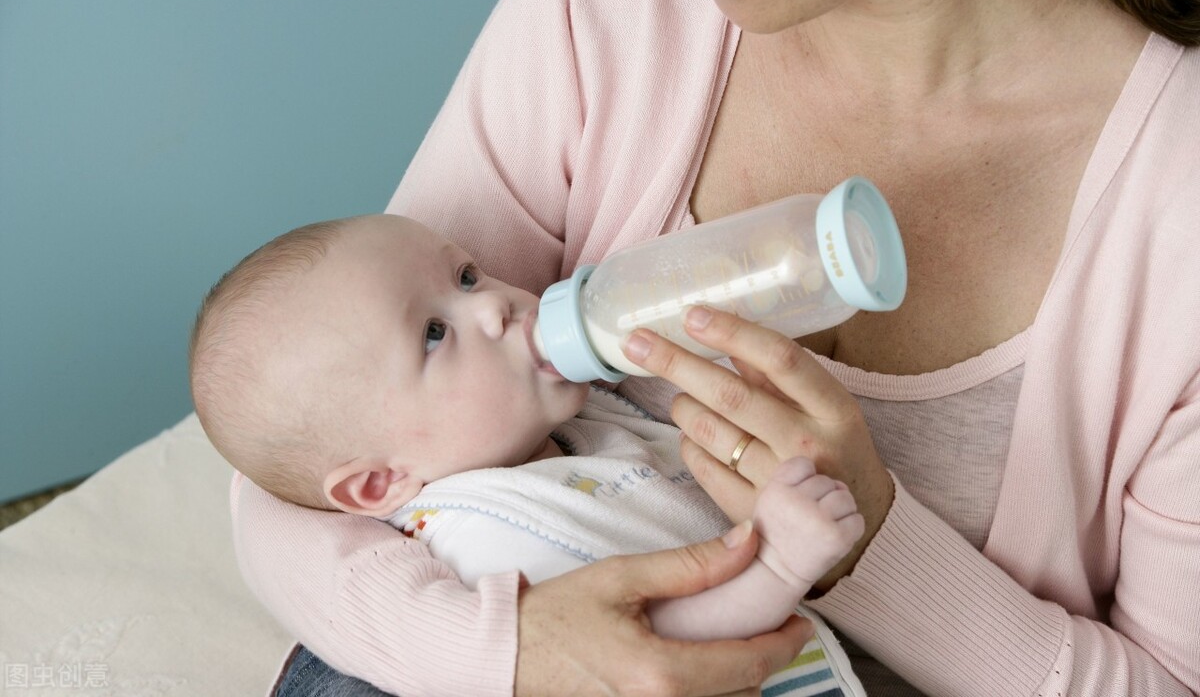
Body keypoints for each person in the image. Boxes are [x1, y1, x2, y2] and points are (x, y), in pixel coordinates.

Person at [226, 0, 1200, 695]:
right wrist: (499, 651)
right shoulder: (605, 1)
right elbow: (300, 451)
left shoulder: (1178, 201)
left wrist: (868, 545)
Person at [189, 213, 866, 687]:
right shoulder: (485, 538)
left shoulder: (571, 431)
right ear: (379, 484)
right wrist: (779, 564)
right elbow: (654, 645)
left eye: (465, 276)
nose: (494, 308)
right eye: (432, 334)